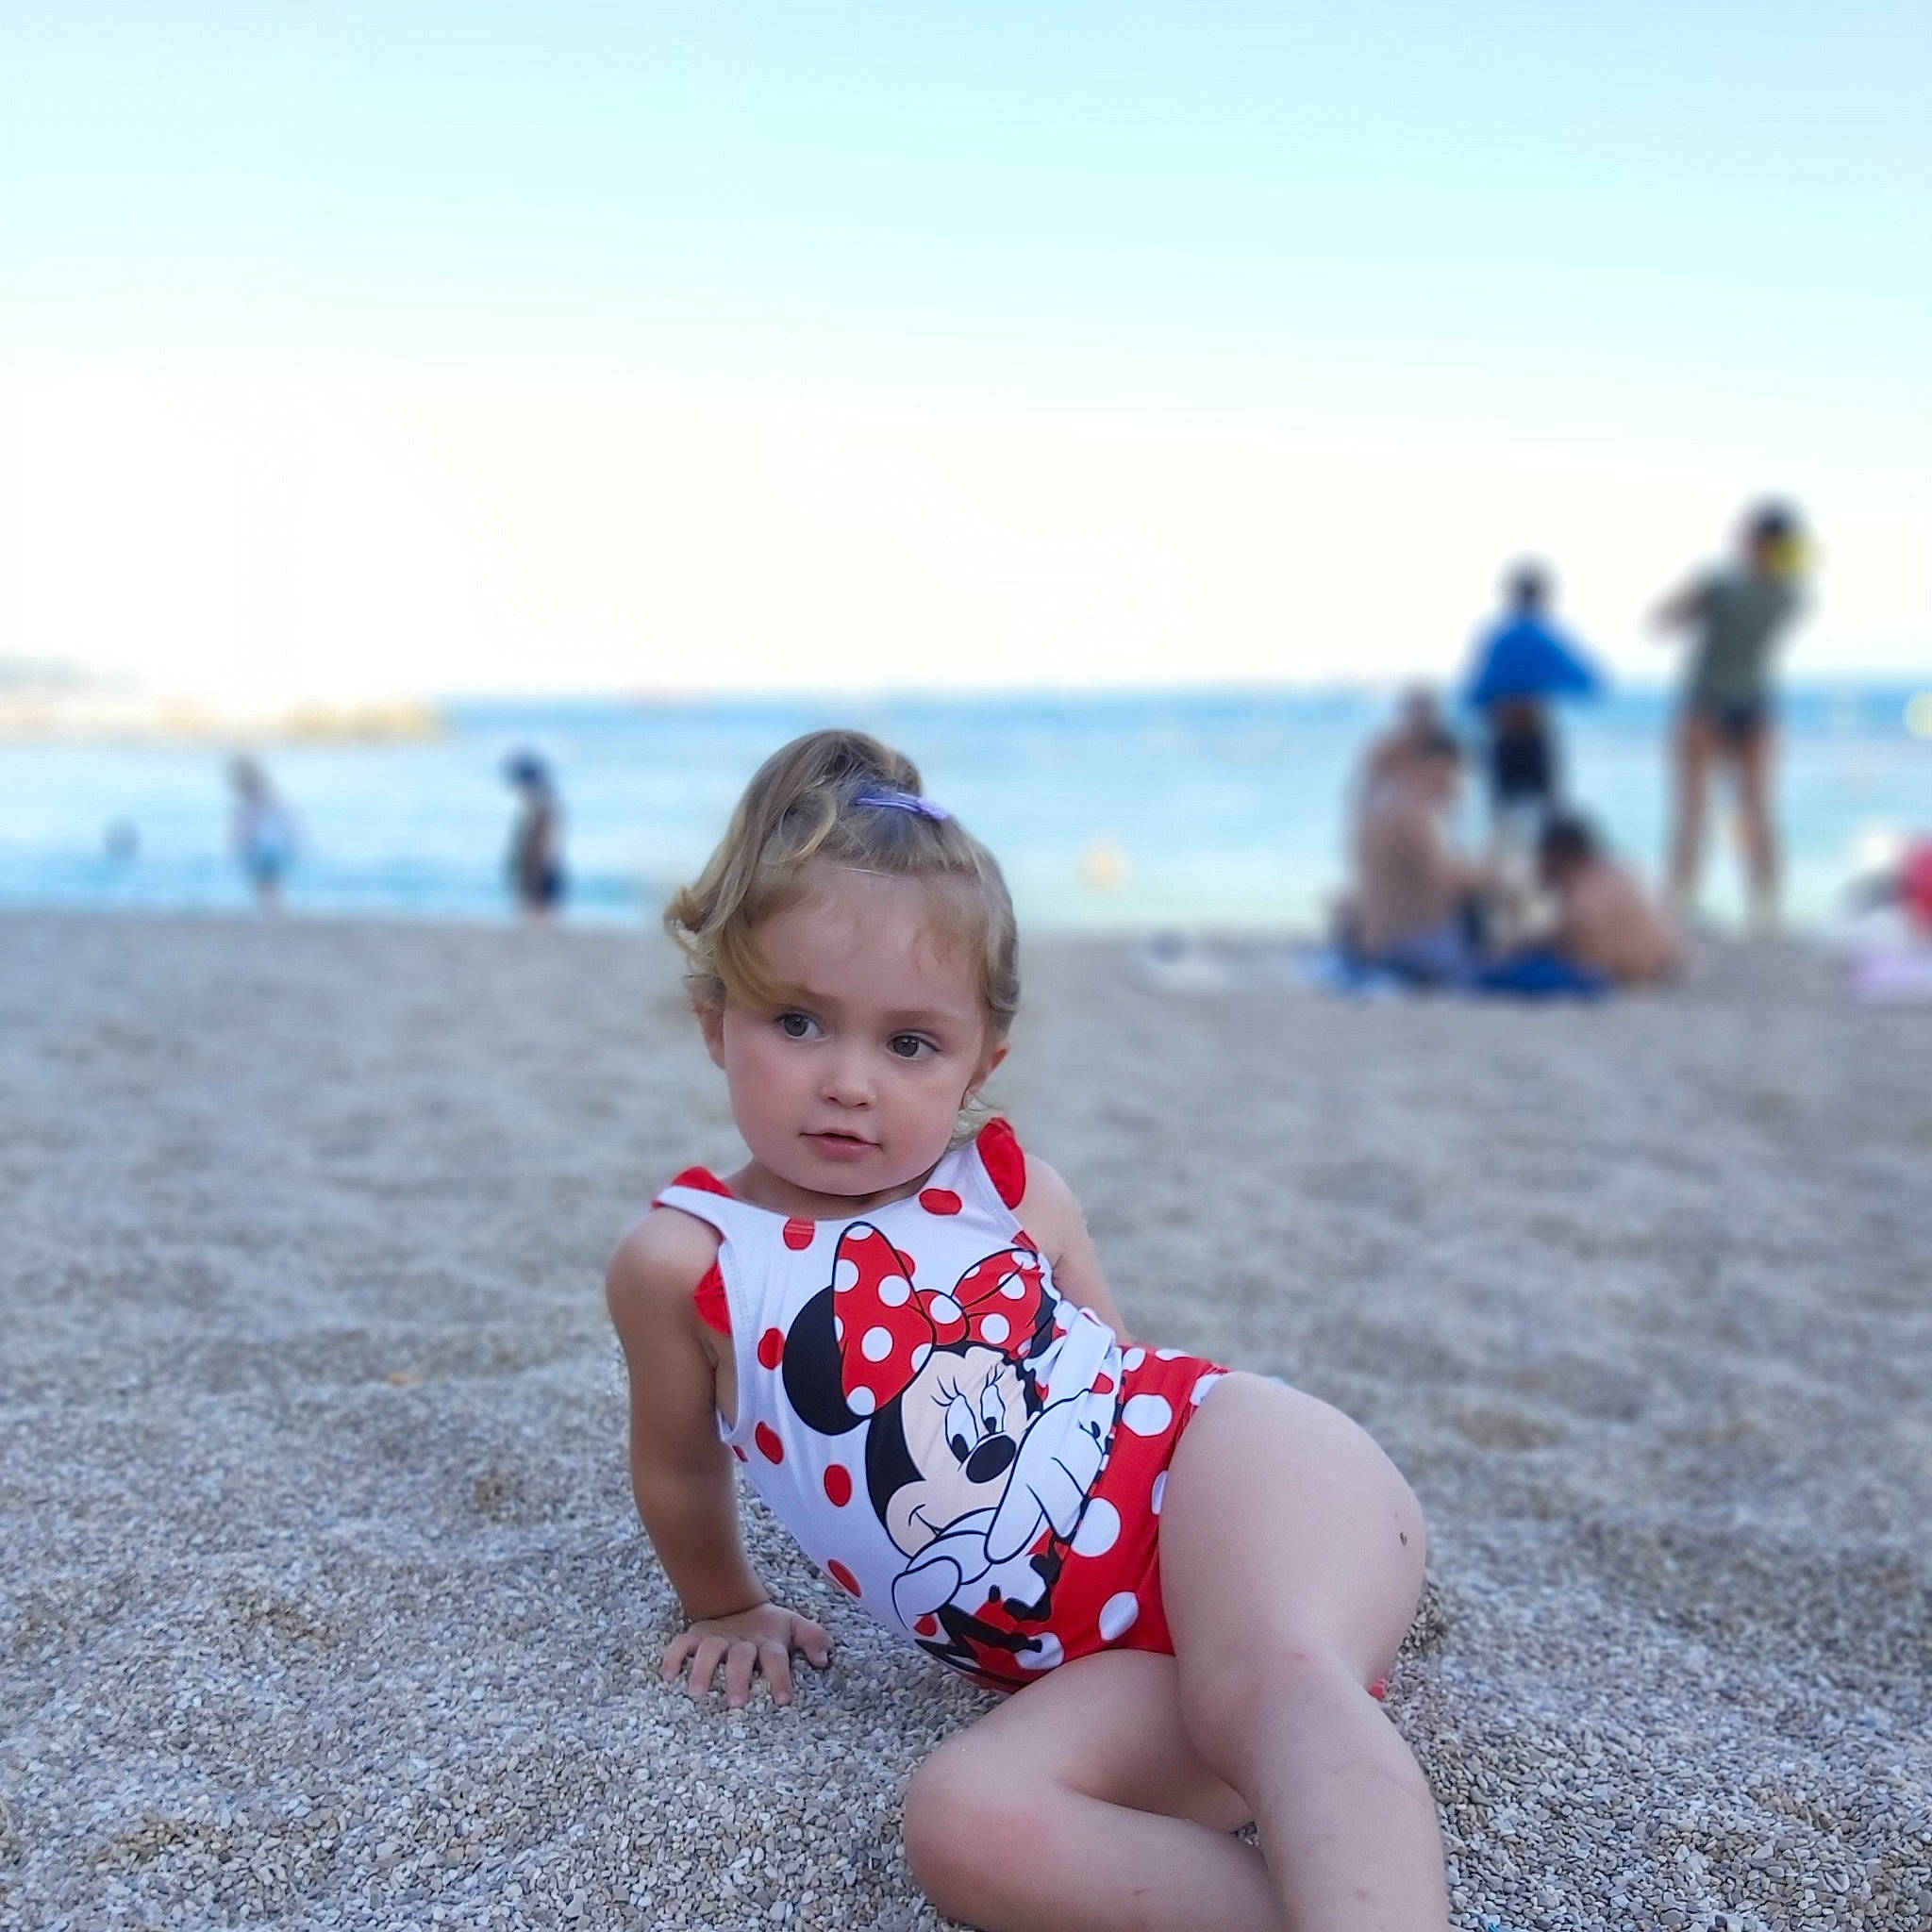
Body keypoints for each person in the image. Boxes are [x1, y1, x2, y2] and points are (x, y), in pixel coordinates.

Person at [607, 730, 1446, 1932]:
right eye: (796, 1021)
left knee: (1265, 1673)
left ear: (977, 1060)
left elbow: (1109, 1385)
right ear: (714, 1018)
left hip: (1239, 1480)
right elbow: (680, 1461)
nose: (849, 1078)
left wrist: (1229, 1575)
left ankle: (1322, 1766)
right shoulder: (687, 1263)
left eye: (907, 1043)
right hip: (1109, 1665)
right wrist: (722, 1602)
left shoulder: (1006, 1187)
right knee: (967, 1822)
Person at [1656, 503, 1809, 931]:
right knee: (1758, 810)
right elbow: (1793, 583)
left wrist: (1697, 593)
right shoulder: (1788, 593)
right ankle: (1766, 910)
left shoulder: (1722, 585)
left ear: (1754, 540)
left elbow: (1664, 620)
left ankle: (1678, 902)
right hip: (1757, 704)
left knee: (1693, 808)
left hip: (1707, 701)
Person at [1462, 563, 1597, 858]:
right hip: (1534, 734)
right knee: (1550, 815)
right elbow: (1588, 682)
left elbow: (1473, 696)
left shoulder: (1499, 638)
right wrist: (1541, 680)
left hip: (1504, 735)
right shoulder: (1541, 636)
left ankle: (1503, 878)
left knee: (1502, 817)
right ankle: (1552, 878)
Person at [1345, 727, 1491, 983]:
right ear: (1440, 767)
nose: (1460, 784)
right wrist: (1491, 876)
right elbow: (1445, 886)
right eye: (1458, 773)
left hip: (1378, 944)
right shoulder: (1415, 814)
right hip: (1412, 948)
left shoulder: (1379, 810)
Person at [1532, 812, 1683, 987]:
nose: (1539, 865)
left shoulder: (1582, 904)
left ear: (1558, 857)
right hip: (1663, 965)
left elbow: (1591, 963)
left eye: (1543, 856)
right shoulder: (1620, 874)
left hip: (1632, 975)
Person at [228, 755, 297, 914]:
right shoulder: (269, 796)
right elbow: (286, 820)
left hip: (261, 847)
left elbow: (247, 825)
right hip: (274, 846)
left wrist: (239, 841)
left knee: (264, 883)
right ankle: (277, 912)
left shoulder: (252, 799)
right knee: (271, 883)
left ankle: (274, 912)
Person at [504, 751, 566, 921]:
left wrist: (532, 881)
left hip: (539, 874)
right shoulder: (542, 804)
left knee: (537, 920)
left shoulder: (541, 807)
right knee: (536, 921)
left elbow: (538, 849)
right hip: (539, 872)